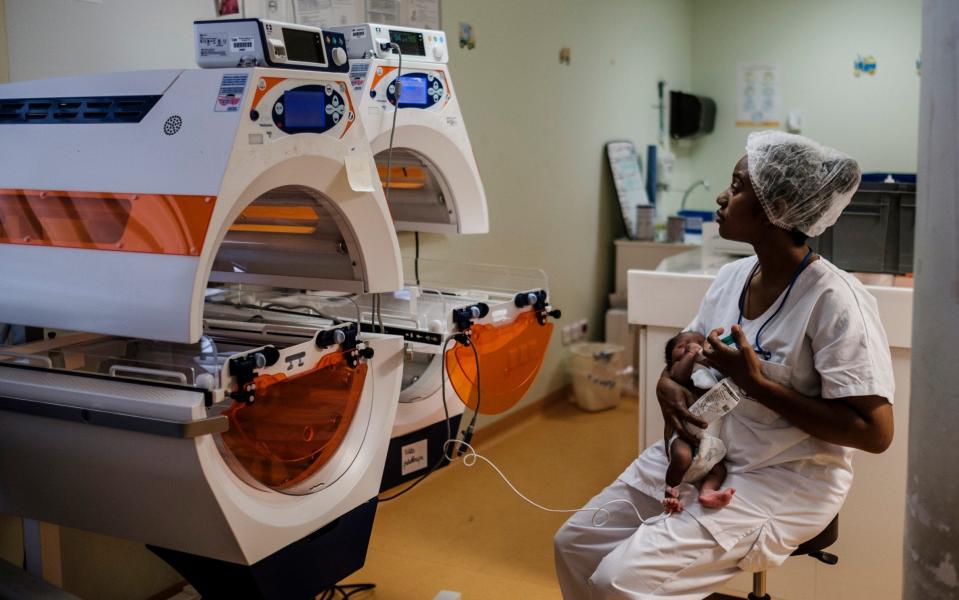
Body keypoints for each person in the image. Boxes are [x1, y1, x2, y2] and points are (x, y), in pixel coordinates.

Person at [554, 131, 895, 599]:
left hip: (782, 478)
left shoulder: (836, 301)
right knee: (575, 545)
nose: (721, 196)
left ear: (773, 208)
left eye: (736, 188)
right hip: (707, 455)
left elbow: (875, 433)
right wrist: (664, 383)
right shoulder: (732, 276)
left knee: (621, 581)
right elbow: (687, 349)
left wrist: (755, 382)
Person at [661, 331, 735, 514]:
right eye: (682, 345)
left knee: (719, 469)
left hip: (707, 439)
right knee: (681, 456)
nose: (690, 346)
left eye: (697, 343)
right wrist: (691, 355)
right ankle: (671, 490)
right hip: (685, 433)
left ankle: (708, 491)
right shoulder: (678, 369)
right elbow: (680, 377)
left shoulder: (709, 370)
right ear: (671, 359)